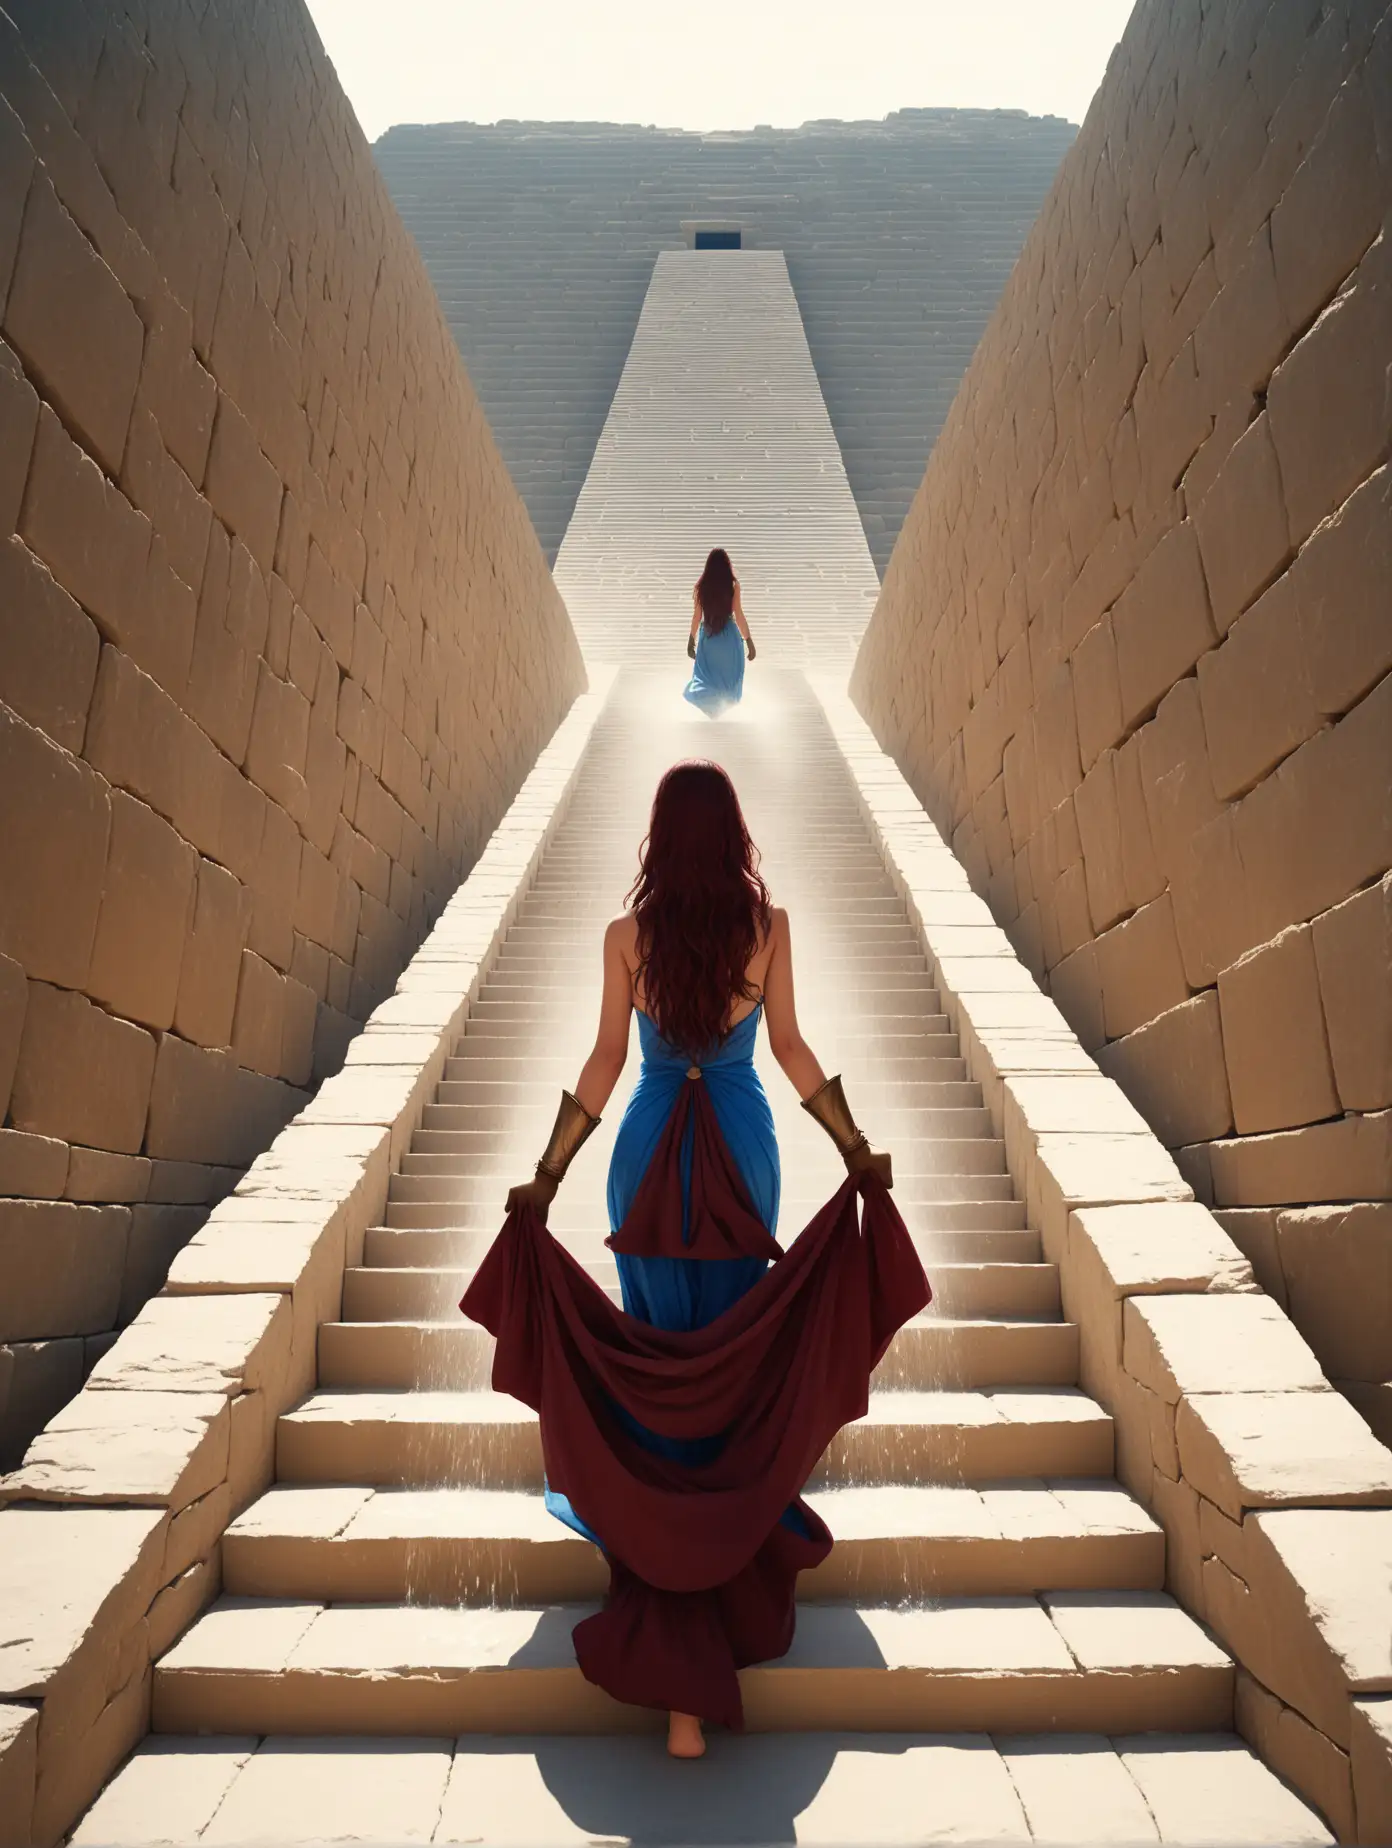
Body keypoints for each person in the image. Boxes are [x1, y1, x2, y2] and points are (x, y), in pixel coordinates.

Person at [462, 763, 929, 1760]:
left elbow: (604, 1064)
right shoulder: (767, 930)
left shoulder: (626, 939)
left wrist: (546, 1176)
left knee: (655, 1374)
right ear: (734, 839)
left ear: (658, 840)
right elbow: (793, 1049)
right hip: (741, 1146)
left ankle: (664, 1629)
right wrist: (852, 1148)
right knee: (725, 1370)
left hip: (642, 1162)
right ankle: (709, 1624)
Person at [684, 548, 755, 716]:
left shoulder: (702, 586)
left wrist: (691, 640)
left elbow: (696, 617)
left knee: (707, 678)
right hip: (729, 639)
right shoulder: (733, 585)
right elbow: (738, 615)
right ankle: (722, 712)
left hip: (708, 638)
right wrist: (749, 641)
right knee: (728, 679)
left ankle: (712, 714)